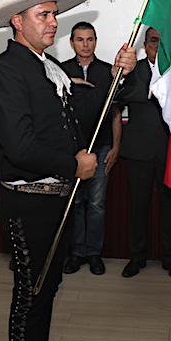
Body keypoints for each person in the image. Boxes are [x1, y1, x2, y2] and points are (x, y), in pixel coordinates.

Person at [0, 0, 135, 341]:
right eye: (43, 14)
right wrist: (71, 163)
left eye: (54, 14)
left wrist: (118, 77)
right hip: (29, 202)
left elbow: (80, 118)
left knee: (48, 288)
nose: (53, 22)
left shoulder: (49, 66)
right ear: (17, 20)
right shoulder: (7, 71)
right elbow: (18, 146)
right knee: (31, 293)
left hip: (59, 199)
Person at [117, 27, 171, 281]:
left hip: (170, 151)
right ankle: (136, 258)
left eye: (161, 41)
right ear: (145, 44)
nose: (157, 45)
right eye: (153, 41)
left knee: (170, 208)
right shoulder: (133, 70)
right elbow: (121, 97)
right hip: (138, 151)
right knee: (137, 207)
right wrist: (127, 78)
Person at [61, 22, 122, 276]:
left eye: (90, 39)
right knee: (75, 203)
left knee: (96, 204)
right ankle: (76, 253)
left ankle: (94, 253)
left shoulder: (109, 72)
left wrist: (116, 147)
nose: (85, 44)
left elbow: (116, 113)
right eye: (80, 39)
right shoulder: (60, 71)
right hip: (73, 151)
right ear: (72, 42)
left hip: (101, 147)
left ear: (95, 41)